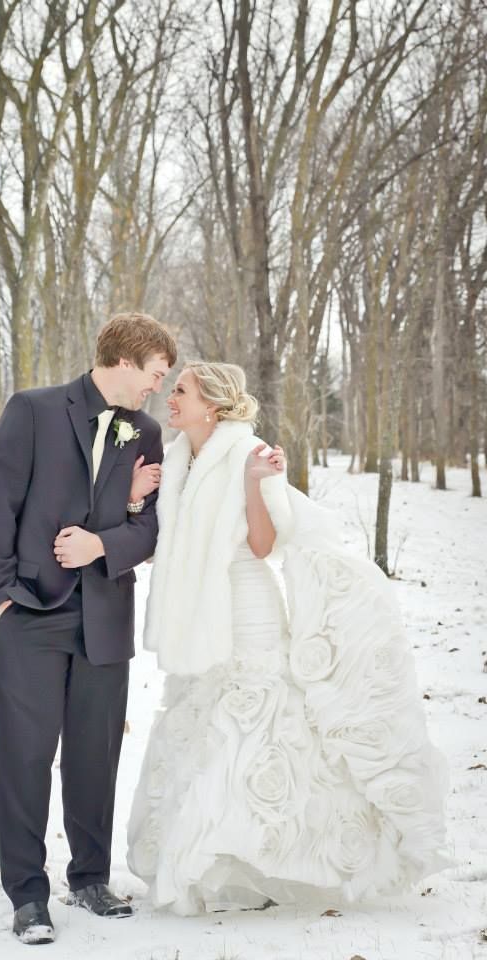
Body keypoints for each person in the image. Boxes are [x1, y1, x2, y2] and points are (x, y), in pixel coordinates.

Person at [127, 361, 449, 915]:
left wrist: (256, 485)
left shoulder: (247, 454)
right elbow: (164, 542)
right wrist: (137, 498)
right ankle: (219, 868)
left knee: (253, 727)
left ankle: (270, 862)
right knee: (202, 730)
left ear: (213, 404)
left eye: (181, 391)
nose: (171, 398)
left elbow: (262, 544)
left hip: (245, 607)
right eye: (173, 388)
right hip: (195, 618)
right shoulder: (176, 458)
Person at [0, 312, 177, 944]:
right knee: (26, 758)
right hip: (32, 612)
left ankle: (90, 878)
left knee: (96, 755)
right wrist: (2, 594)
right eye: (155, 374)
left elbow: (146, 528)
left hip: (105, 618)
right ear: (127, 359)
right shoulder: (33, 410)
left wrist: (101, 545)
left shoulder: (144, 433)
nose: (158, 388)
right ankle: (28, 896)